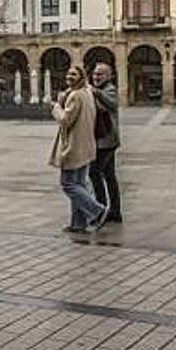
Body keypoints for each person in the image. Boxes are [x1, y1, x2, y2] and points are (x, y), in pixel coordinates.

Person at [50, 66, 107, 233]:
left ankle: (98, 210)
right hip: (86, 145)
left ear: (82, 76)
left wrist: (56, 107)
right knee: (79, 184)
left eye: (74, 74)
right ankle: (78, 224)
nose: (69, 76)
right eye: (68, 73)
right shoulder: (87, 92)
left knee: (68, 184)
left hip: (74, 146)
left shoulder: (76, 96)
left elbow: (66, 120)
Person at [89, 62, 122, 224]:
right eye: (95, 74)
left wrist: (95, 92)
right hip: (104, 141)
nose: (96, 77)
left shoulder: (109, 89)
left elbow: (112, 103)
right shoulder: (100, 90)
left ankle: (100, 210)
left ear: (108, 76)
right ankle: (115, 212)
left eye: (100, 74)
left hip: (106, 141)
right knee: (109, 176)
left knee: (94, 174)